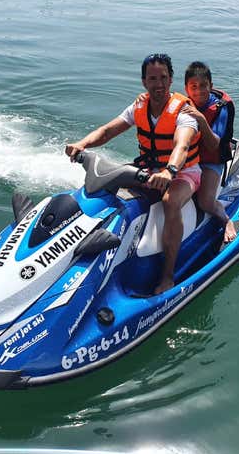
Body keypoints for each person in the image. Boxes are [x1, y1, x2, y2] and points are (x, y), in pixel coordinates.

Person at [64, 53, 201, 295]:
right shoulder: (138, 106)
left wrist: (170, 171)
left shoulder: (183, 112)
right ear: (143, 82)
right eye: (152, 79)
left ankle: (168, 275)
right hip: (149, 171)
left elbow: (182, 145)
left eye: (163, 78)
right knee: (108, 193)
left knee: (170, 202)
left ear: (171, 80)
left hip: (183, 173)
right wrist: (82, 144)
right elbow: (107, 131)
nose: (158, 84)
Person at [179, 61, 237, 242]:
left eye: (203, 86)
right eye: (193, 87)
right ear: (186, 89)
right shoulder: (181, 104)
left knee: (204, 202)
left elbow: (213, 145)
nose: (199, 91)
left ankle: (226, 220)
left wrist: (201, 120)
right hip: (189, 157)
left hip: (211, 159)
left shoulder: (221, 107)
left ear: (211, 86)